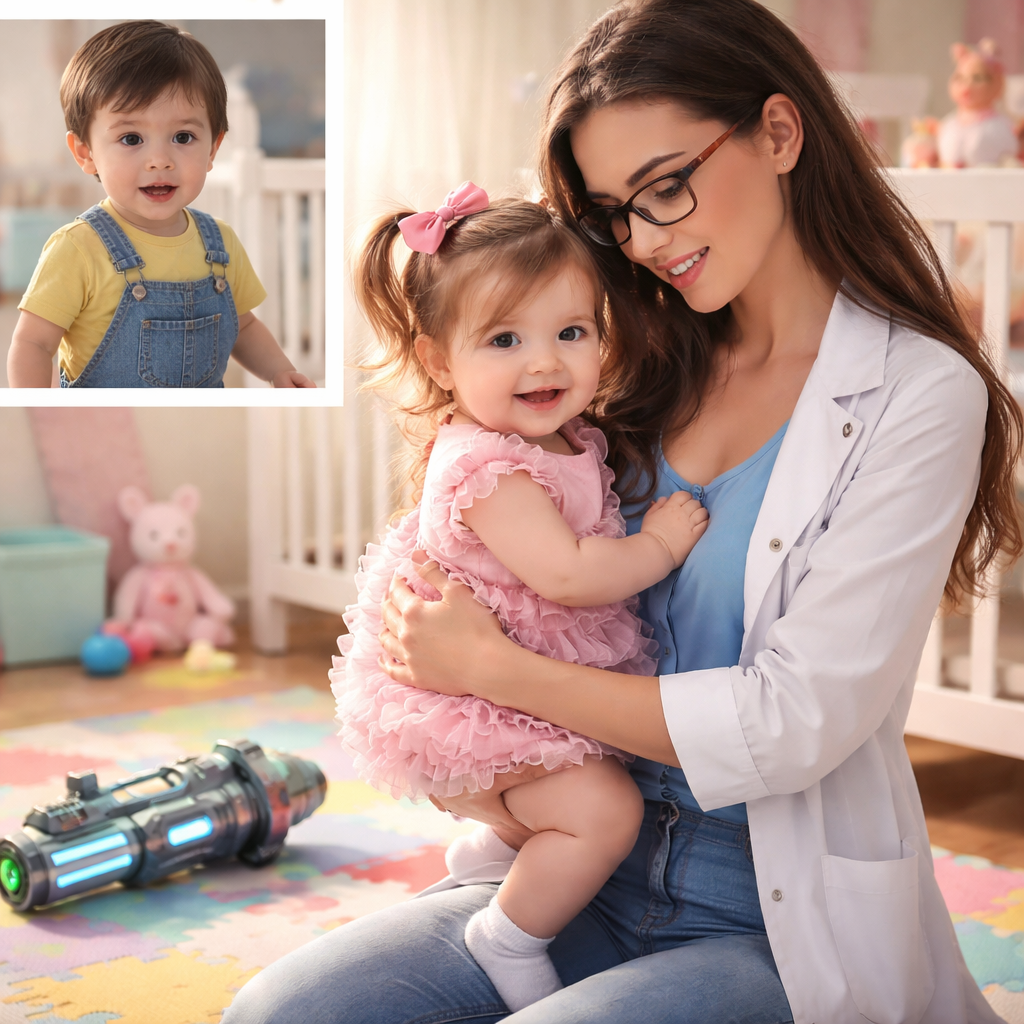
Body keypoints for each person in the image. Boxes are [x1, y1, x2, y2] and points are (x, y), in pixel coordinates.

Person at [222, 0, 1022, 1021]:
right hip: (573, 872)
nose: (644, 240)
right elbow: (482, 577)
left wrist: (496, 670)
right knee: (277, 1013)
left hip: (769, 920)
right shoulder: (624, 362)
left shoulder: (915, 392)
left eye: (667, 188)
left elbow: (790, 721)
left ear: (779, 133)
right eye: (613, 213)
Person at [332, 184, 708, 1011]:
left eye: (570, 333)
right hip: (477, 689)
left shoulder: (556, 435)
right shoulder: (489, 468)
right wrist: (659, 546)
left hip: (516, 677)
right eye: (505, 339)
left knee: (595, 778)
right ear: (438, 361)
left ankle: (503, 850)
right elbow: (569, 575)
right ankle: (507, 936)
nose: (545, 362)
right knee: (606, 810)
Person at [7, 20, 315, 389]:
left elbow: (244, 326)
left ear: (213, 149)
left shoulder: (220, 242)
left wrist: (279, 371)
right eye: (131, 138)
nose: (159, 160)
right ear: (85, 153)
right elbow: (34, 343)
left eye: (183, 137)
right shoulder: (77, 248)